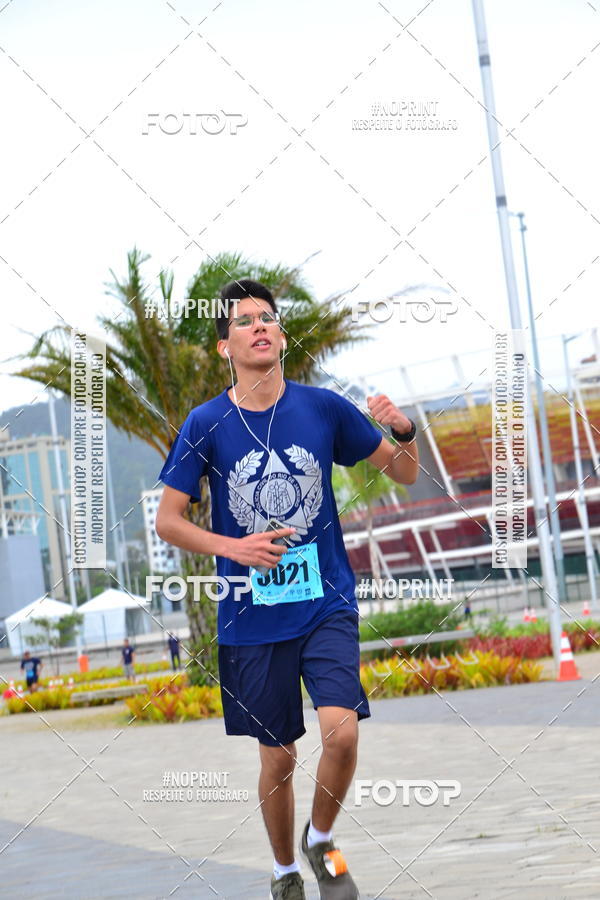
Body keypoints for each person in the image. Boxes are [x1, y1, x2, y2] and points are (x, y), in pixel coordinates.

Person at [155, 280, 419, 899]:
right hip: (252, 619)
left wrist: (405, 430)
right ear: (225, 345)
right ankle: (282, 872)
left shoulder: (322, 408)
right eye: (244, 321)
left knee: (343, 732)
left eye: (268, 318)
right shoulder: (207, 423)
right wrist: (234, 549)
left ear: (280, 333)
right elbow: (168, 520)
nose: (260, 327)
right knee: (278, 760)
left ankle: (320, 838)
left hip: (325, 600)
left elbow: (404, 474)